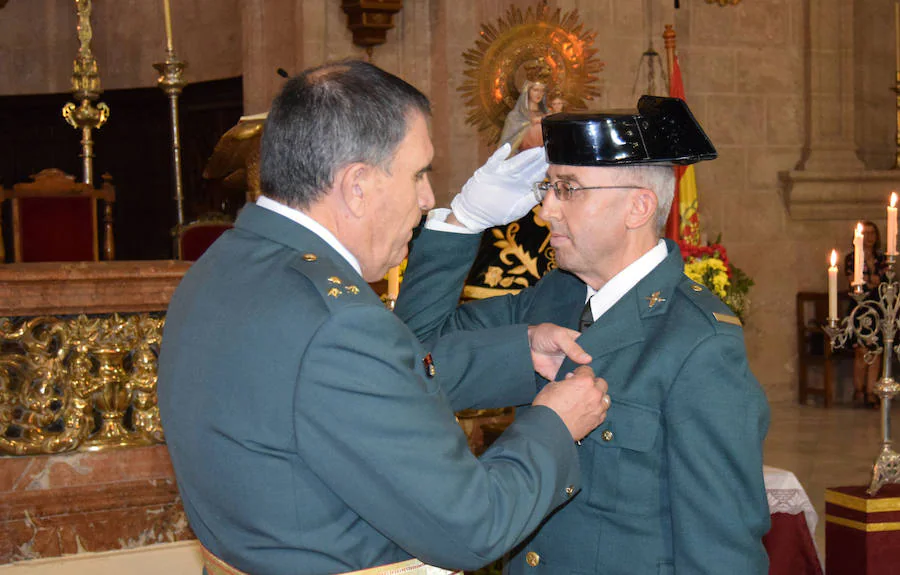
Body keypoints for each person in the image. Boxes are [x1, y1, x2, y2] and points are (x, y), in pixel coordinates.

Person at [157, 60, 613, 575]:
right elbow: (474, 525)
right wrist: (554, 425)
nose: (426, 199)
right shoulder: (334, 323)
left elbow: (351, 395)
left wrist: (514, 352)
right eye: (419, 174)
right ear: (357, 185)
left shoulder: (220, 267)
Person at [396, 96, 771, 574]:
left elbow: (720, 554)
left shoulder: (698, 345)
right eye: (547, 187)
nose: (544, 210)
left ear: (638, 206)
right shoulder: (555, 299)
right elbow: (409, 363)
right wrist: (462, 221)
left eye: (568, 189)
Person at [844, 220, 888, 408]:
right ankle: (859, 389)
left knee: (875, 351)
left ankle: (871, 392)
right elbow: (855, 282)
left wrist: (871, 281)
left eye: (873, 233)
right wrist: (871, 281)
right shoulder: (851, 258)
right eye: (866, 233)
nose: (870, 237)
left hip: (877, 307)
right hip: (859, 308)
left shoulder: (882, 258)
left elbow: (883, 282)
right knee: (861, 351)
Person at [499, 79, 548, 153]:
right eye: (536, 90)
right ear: (527, 91)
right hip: (522, 159)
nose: (539, 94)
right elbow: (506, 147)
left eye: (542, 91)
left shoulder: (548, 116)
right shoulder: (515, 117)